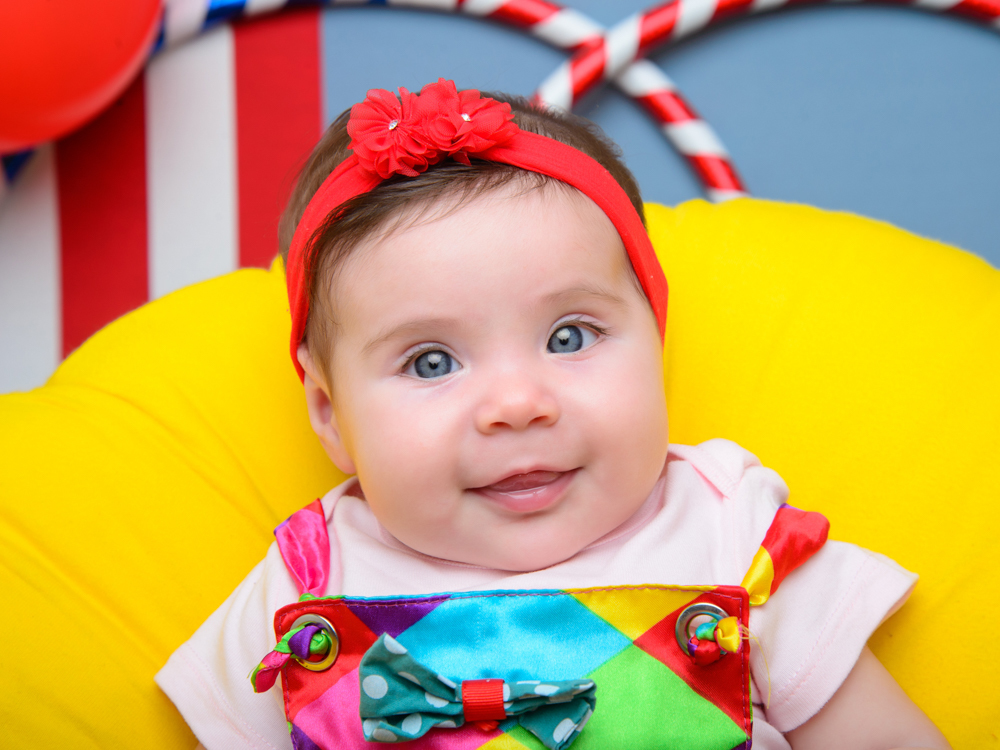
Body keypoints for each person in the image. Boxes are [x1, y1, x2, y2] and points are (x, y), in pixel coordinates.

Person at [156, 79, 950, 750]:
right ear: (329, 415)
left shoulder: (734, 539)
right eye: (431, 362)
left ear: (655, 347)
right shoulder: (304, 585)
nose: (517, 405)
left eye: (569, 337)